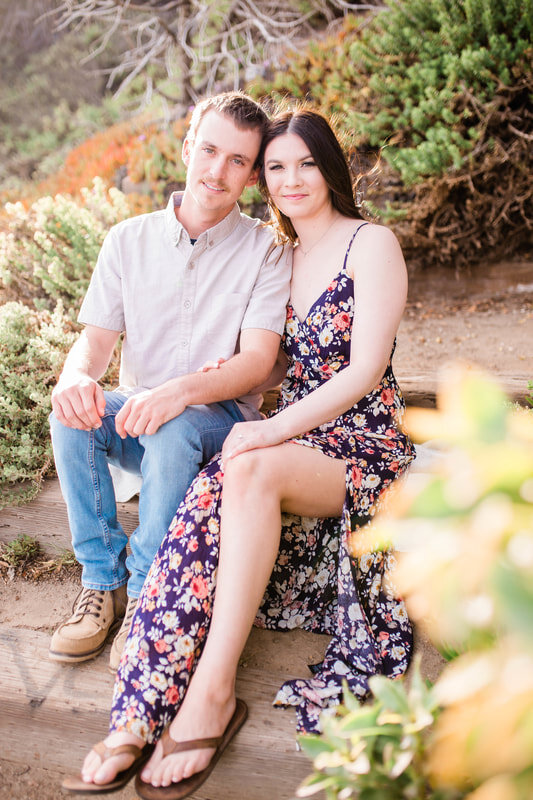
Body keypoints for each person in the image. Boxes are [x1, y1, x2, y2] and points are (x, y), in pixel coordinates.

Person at [62, 108, 415, 798]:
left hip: (363, 442)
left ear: (329, 168)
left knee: (242, 461)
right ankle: (138, 709)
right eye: (276, 168)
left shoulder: (369, 244)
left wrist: (267, 427)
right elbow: (275, 360)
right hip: (300, 434)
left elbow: (362, 371)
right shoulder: (283, 252)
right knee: (204, 501)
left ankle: (212, 694)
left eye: (304, 165)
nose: (289, 180)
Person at [48, 91, 292, 671]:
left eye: (238, 161)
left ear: (253, 174)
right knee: (72, 413)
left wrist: (179, 391)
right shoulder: (125, 241)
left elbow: (258, 363)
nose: (217, 170)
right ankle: (100, 582)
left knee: (175, 420)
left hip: (218, 425)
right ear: (187, 147)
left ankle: (149, 593)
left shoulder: (266, 250)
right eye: (209, 150)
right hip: (140, 418)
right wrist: (75, 376)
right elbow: (95, 343)